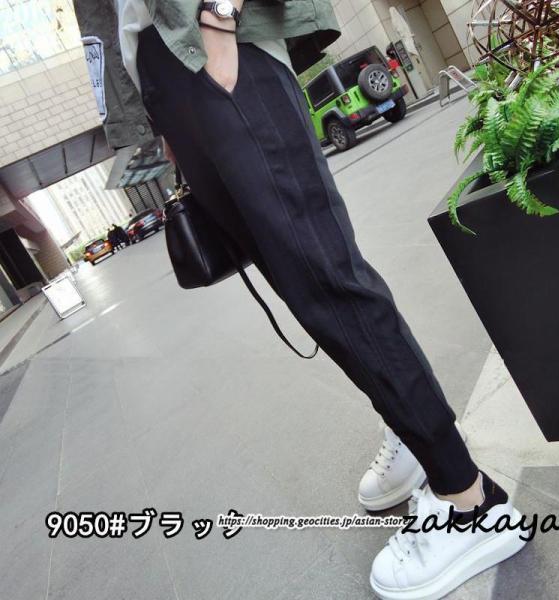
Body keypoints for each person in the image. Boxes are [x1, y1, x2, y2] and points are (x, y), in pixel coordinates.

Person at [75, 1, 527, 598]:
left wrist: (219, 18)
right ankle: (413, 433)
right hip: (172, 68)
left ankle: (469, 501)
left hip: (209, 40)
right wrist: (161, 107)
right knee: (308, 289)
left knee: (328, 279)